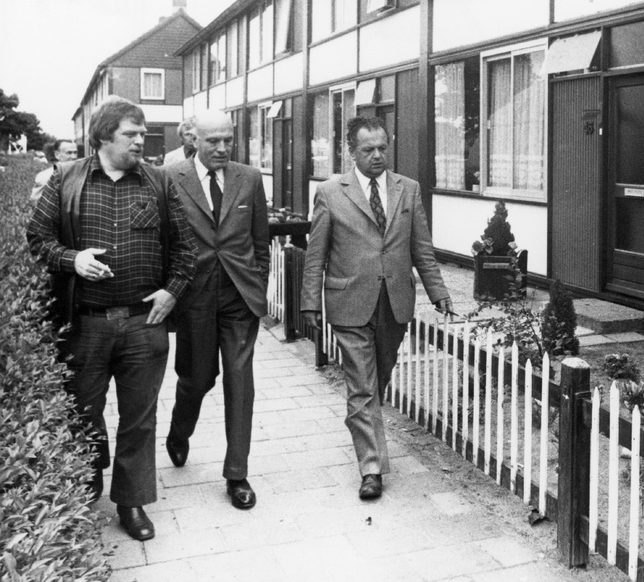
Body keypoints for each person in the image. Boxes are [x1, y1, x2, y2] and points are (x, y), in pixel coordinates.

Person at [26, 96, 196, 542]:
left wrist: (171, 292)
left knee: (139, 418)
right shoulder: (66, 178)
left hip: (144, 323)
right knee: (84, 410)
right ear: (104, 137)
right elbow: (37, 238)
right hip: (85, 324)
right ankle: (88, 477)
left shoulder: (158, 181)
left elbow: (186, 250)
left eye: (143, 133)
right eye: (131, 134)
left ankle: (131, 502)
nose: (141, 140)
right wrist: (73, 259)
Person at [301, 115, 453, 501]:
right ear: (351, 151)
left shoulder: (408, 189)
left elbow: (422, 248)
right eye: (368, 149)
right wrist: (309, 303)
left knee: (376, 380)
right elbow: (316, 253)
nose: (377, 156)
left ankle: (364, 421)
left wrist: (438, 292)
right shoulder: (331, 192)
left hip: (394, 302)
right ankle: (371, 468)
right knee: (362, 385)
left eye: (383, 148)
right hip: (348, 301)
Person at [163, 110, 270, 510]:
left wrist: (258, 284)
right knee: (197, 378)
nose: (223, 148)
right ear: (193, 139)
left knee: (240, 382)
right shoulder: (170, 177)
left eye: (228, 139)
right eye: (213, 141)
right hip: (194, 296)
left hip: (239, 297)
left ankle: (237, 474)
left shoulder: (249, 178)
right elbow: (165, 242)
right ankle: (179, 430)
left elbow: (261, 241)